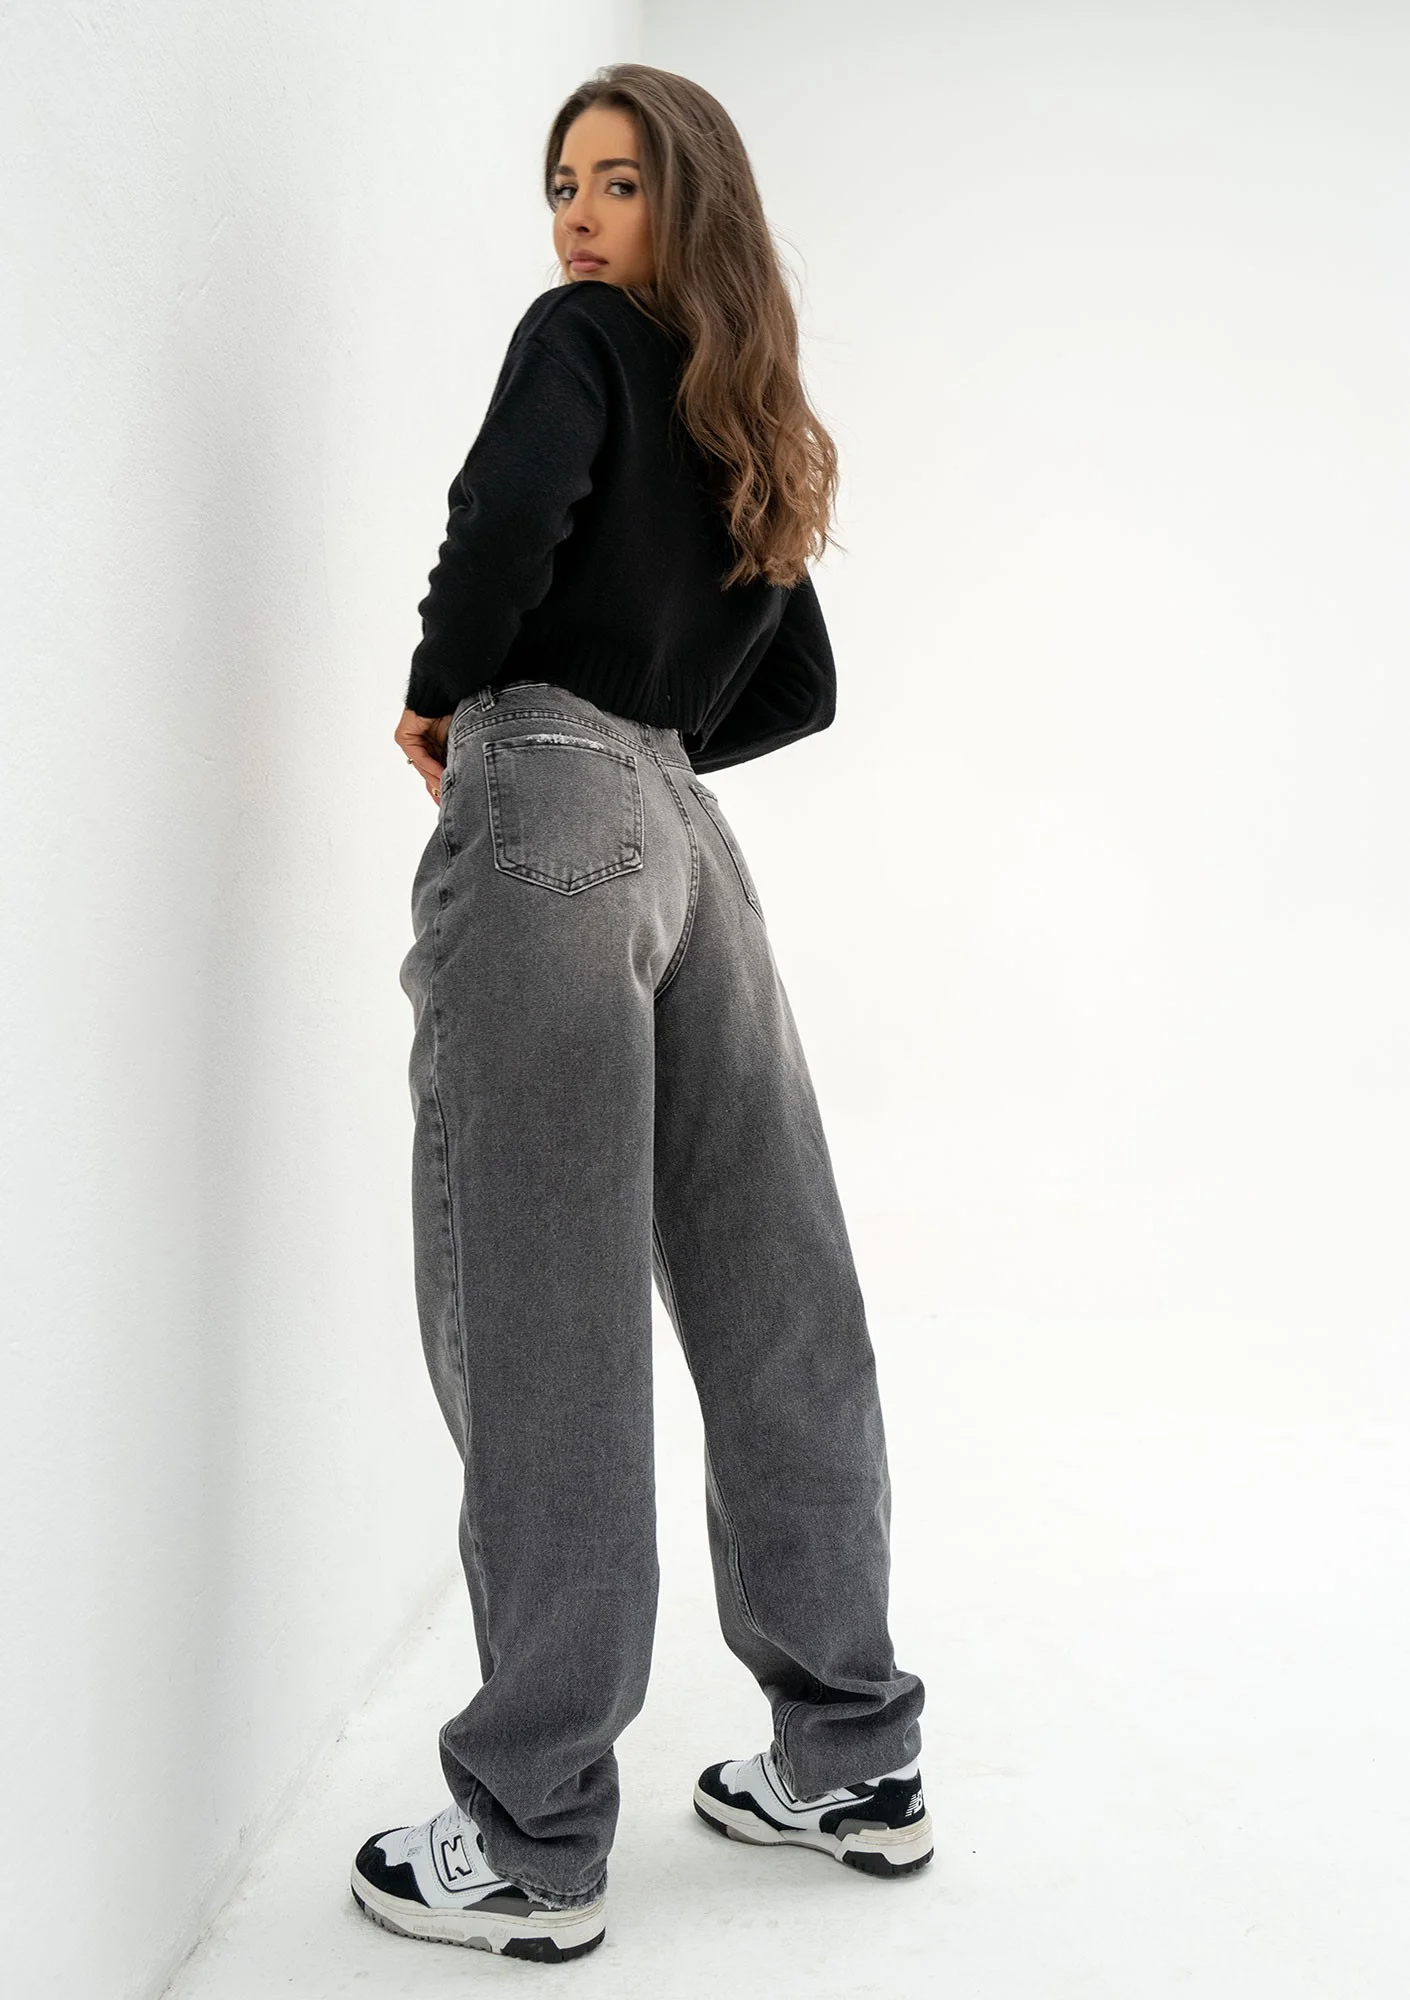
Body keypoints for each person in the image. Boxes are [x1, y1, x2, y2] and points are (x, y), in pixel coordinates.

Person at [349, 63, 929, 1965]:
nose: (578, 220)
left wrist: (450, 692)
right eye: (562, 187)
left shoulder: (581, 344)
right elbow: (798, 685)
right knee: (775, 1286)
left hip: (545, 797)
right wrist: (649, 750)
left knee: (544, 1309)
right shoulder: (745, 411)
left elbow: (507, 513)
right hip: (687, 836)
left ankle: (528, 1837)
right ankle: (849, 1756)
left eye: (617, 182)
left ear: (694, 201)